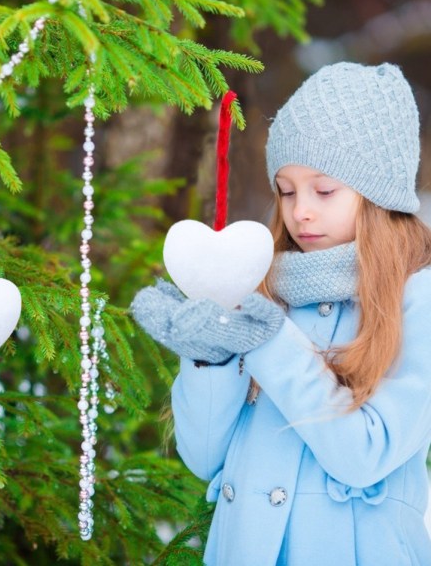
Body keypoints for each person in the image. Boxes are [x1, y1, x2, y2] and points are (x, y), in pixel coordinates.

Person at [131, 62, 431, 565]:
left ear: (379, 191)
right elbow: (205, 458)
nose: (301, 211)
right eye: (286, 191)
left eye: (324, 190)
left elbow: (365, 456)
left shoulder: (416, 299)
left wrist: (269, 341)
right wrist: (209, 359)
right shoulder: (264, 289)